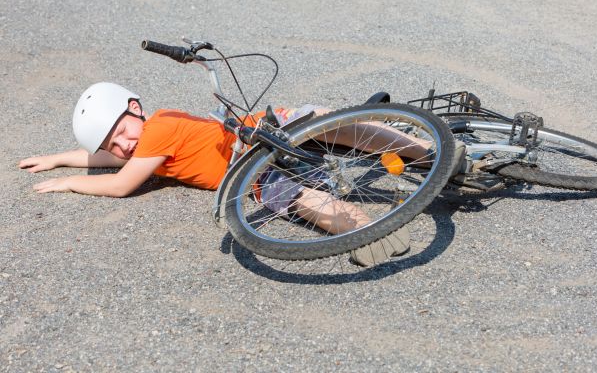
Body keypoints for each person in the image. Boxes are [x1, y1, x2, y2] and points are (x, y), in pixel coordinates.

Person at [19, 83, 436, 266]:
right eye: (114, 143)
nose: (124, 145)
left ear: (135, 108)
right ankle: (368, 227)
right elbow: (114, 160)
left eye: (123, 132)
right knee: (296, 198)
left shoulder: (159, 127)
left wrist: (70, 182)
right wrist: (58, 159)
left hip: (255, 134)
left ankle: (431, 152)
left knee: (329, 122)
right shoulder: (144, 146)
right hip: (247, 171)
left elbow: (121, 181)